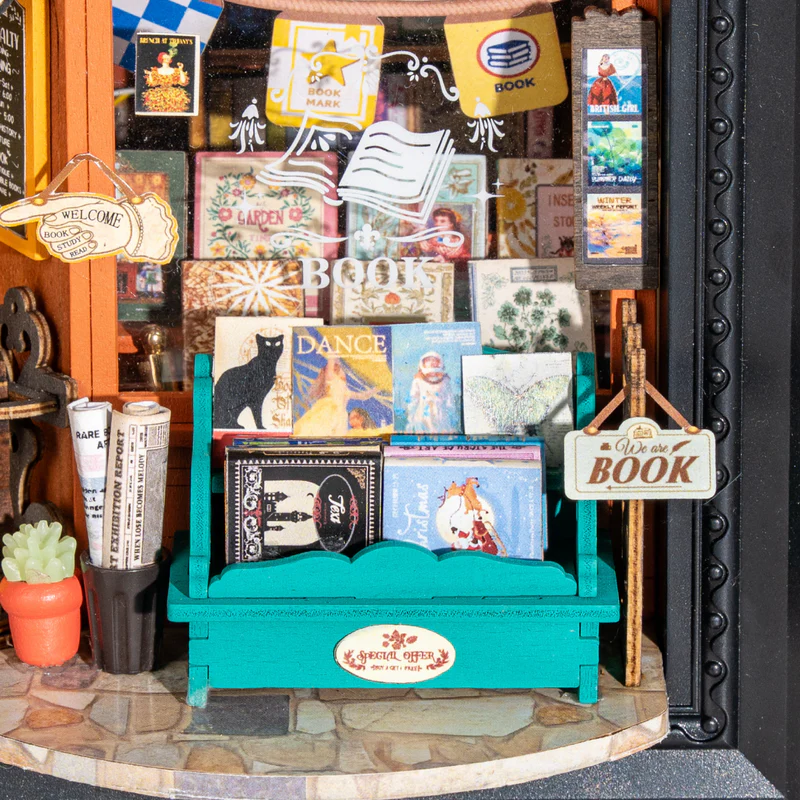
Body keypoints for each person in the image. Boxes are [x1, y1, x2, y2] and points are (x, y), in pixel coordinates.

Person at [405, 351, 458, 433]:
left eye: (434, 360)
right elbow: (413, 398)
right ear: (423, 363)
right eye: (428, 360)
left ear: (439, 362)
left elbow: (449, 398)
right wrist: (410, 413)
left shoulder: (445, 380)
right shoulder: (418, 380)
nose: (431, 362)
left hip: (441, 414)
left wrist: (451, 413)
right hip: (423, 415)